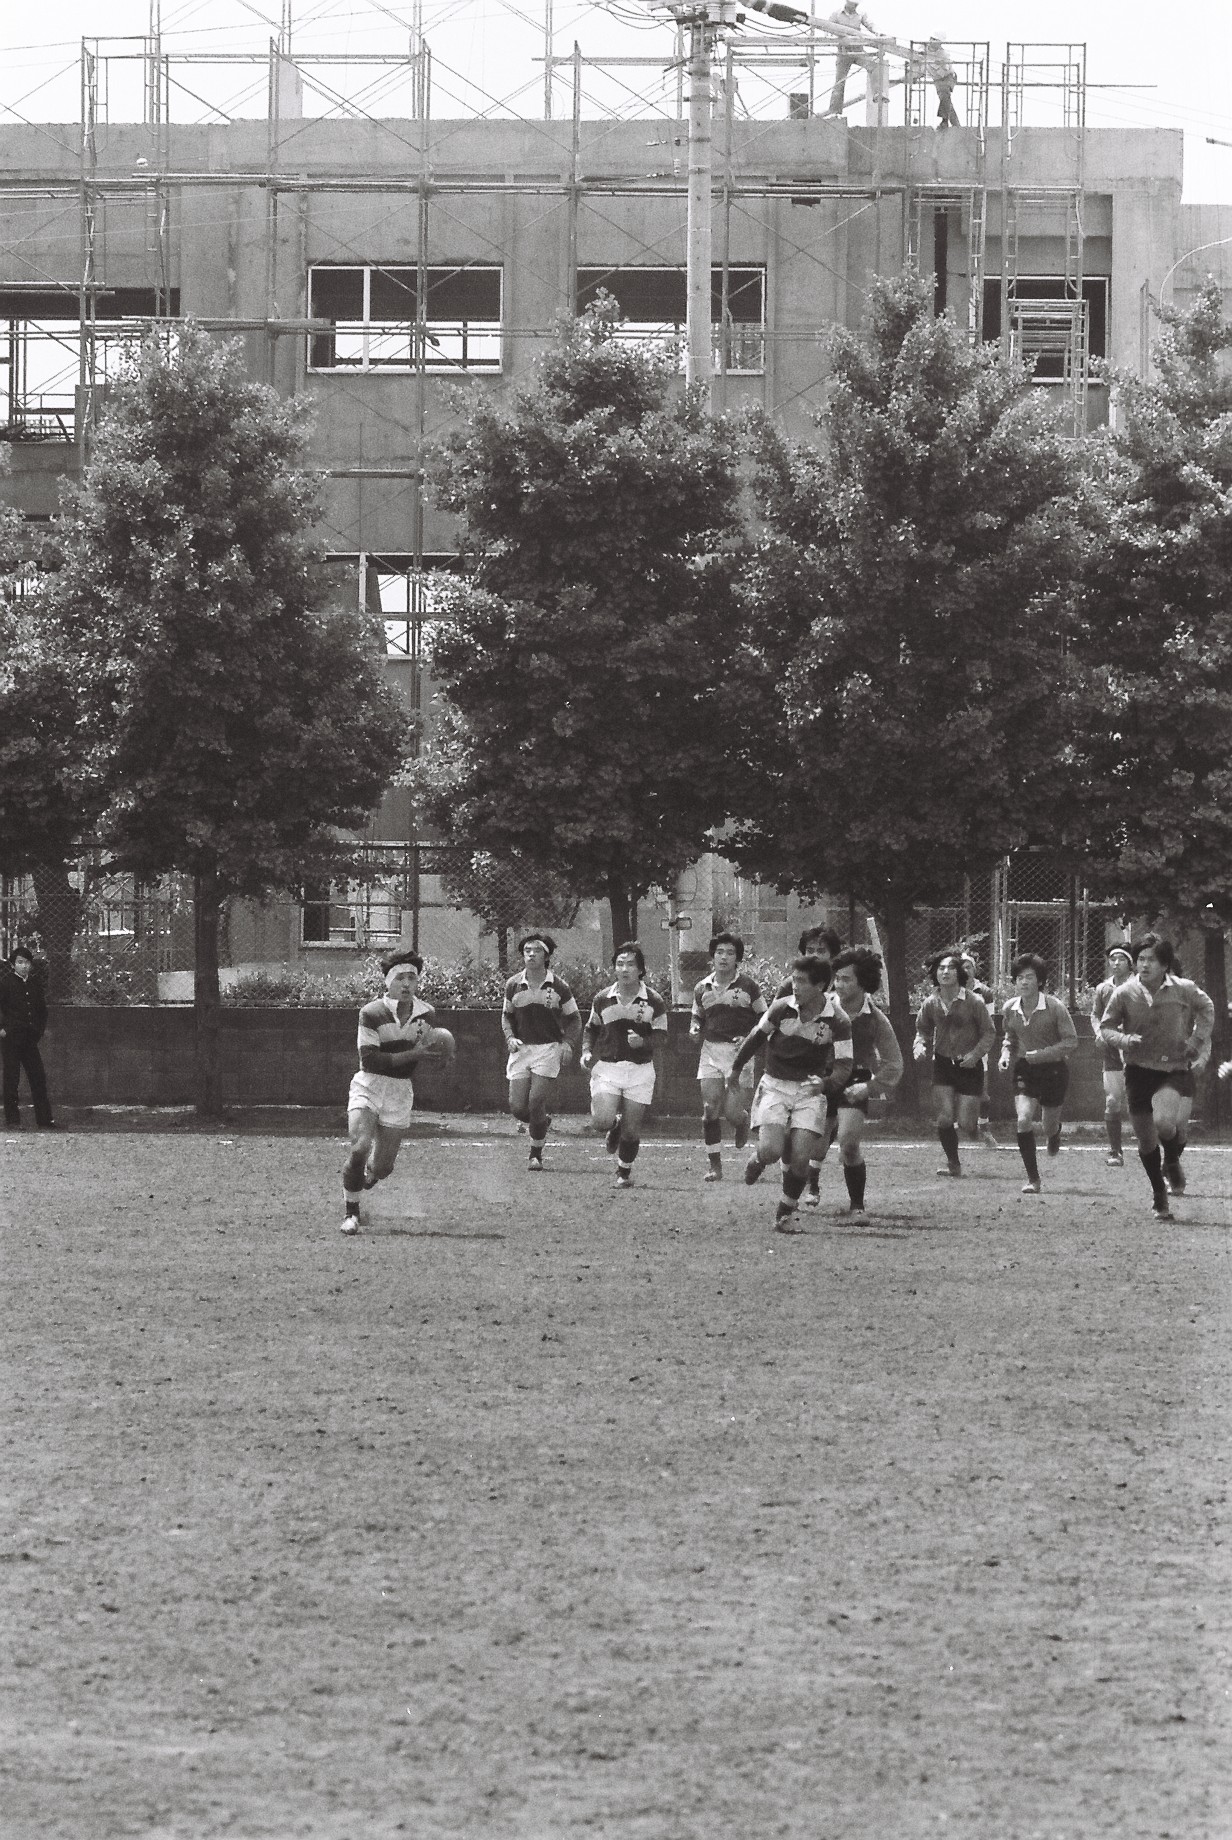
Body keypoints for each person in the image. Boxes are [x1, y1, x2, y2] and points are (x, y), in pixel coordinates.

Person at [728, 954, 853, 1232]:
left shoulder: (838, 1020)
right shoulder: (781, 1008)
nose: (794, 986)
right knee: (772, 1150)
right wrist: (735, 1069)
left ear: (819, 986)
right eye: (793, 979)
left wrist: (826, 1084)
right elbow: (756, 1037)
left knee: (800, 1158)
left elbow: (845, 1064)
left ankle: (784, 1212)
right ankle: (759, 1158)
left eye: (801, 981)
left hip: (810, 1091)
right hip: (775, 1084)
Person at [1098, 934, 1214, 1220]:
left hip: (1172, 1069)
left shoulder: (1184, 989)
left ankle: (1172, 1159)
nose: (1144, 965)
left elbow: (1207, 1008)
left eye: (1151, 959)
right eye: (1141, 959)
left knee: (1164, 1121)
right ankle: (1159, 1194)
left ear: (1165, 964)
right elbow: (1106, 1026)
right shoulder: (1124, 992)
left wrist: (1196, 1041)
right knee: (1146, 1140)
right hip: (1138, 1070)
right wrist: (1124, 1040)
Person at [339, 949, 455, 1235]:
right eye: (400, 978)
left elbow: (427, 1049)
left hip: (400, 1091)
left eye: (411, 978)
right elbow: (370, 1060)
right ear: (388, 981)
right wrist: (414, 1054)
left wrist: (442, 1056)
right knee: (359, 1147)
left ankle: (367, 1178)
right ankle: (351, 1213)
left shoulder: (426, 1014)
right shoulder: (371, 1013)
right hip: (369, 1084)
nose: (406, 984)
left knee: (383, 1168)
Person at [807, 946, 903, 1213]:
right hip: (821, 1077)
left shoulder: (875, 1020)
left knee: (849, 1143)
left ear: (863, 983)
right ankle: (811, 1184)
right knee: (814, 1145)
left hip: (854, 1080)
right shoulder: (818, 1008)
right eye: (837, 978)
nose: (838, 984)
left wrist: (869, 1087)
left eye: (846, 979)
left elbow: (894, 1063)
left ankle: (857, 1206)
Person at [580, 942, 668, 1189]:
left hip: (640, 1070)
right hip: (608, 1068)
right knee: (601, 1121)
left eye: (630, 964)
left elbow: (662, 1036)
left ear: (640, 969)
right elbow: (591, 1028)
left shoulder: (653, 1000)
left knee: (632, 1131)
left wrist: (643, 1042)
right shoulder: (603, 999)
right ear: (614, 968)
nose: (625, 969)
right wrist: (586, 1051)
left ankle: (623, 1172)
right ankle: (613, 1125)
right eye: (620, 964)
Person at [997, 953, 1078, 1195]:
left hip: (1054, 1070)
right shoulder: (1009, 1008)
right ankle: (1033, 1179)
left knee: (1048, 1125)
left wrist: (1041, 1054)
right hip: (1025, 1069)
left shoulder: (1055, 1007)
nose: (1024, 982)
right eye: (1019, 977)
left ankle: (1054, 1134)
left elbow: (1071, 1042)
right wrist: (1005, 1055)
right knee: (1023, 1120)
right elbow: (1010, 1037)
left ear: (1040, 981)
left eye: (1030, 977)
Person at [501, 933, 582, 1171]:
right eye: (527, 950)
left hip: (548, 1049)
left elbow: (574, 1019)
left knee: (536, 1100)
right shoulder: (513, 984)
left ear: (546, 956)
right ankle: (541, 1122)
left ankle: (535, 1154)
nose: (531, 954)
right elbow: (506, 1016)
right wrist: (510, 1037)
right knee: (518, 1108)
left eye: (536, 950)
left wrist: (568, 1043)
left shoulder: (559, 986)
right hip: (521, 1049)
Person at [689, 931, 766, 1181]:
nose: (724, 957)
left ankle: (741, 1121)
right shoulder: (701, 988)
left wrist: (749, 1038)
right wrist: (694, 1029)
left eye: (730, 953)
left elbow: (764, 1018)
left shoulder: (749, 987)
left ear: (737, 958)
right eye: (719, 952)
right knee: (710, 1108)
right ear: (712, 956)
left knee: (732, 1113)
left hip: (739, 1054)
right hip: (711, 1051)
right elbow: (697, 1016)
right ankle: (715, 1167)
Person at [913, 950, 996, 1178]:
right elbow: (922, 1029)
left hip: (969, 1066)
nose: (945, 972)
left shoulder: (974, 1001)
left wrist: (975, 1055)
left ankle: (975, 1127)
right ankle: (953, 1164)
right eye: (941, 968)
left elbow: (989, 1032)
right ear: (935, 974)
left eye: (950, 967)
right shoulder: (931, 1003)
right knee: (944, 1118)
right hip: (943, 1064)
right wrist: (919, 1045)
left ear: (959, 973)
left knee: (967, 1124)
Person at [0, 944, 54, 1129]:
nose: (24, 966)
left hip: (29, 1039)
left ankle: (45, 1120)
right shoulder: (5, 983)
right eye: (20, 962)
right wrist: (2, 1029)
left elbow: (41, 1010)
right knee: (11, 1079)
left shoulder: (34, 983)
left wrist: (38, 1031)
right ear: (13, 964)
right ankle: (13, 1121)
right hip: (11, 1039)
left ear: (31, 964)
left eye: (27, 963)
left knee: (38, 1077)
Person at [1090, 944, 1135, 1166]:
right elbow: (1095, 1015)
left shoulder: (1139, 986)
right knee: (1112, 1100)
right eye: (1112, 959)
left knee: (1141, 1102)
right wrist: (1099, 1033)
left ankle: (1152, 1147)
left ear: (1130, 963)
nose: (1116, 963)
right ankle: (1115, 1151)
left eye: (1121, 959)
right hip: (1112, 1052)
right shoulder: (1103, 989)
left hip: (1137, 1051)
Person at [960, 950, 1000, 1148]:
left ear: (974, 970)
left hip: (977, 1048)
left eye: (969, 967)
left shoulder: (985, 992)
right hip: (955, 1048)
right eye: (961, 967)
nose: (965, 970)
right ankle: (956, 1132)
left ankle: (984, 1128)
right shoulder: (949, 991)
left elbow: (988, 1024)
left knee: (982, 1093)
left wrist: (979, 1048)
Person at [826, 0, 880, 116]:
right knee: (840, 82)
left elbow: (870, 24)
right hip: (844, 52)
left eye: (856, 4)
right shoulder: (837, 14)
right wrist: (834, 35)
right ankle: (835, 111)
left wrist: (877, 32)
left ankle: (877, 94)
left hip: (858, 51)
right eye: (853, 4)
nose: (855, 6)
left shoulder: (860, 14)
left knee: (873, 65)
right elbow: (827, 27)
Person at [922, 36, 960, 128]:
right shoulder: (923, 49)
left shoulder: (943, 54)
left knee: (944, 95)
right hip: (937, 78)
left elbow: (946, 69)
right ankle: (955, 124)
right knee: (946, 100)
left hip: (948, 76)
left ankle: (945, 121)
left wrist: (939, 63)